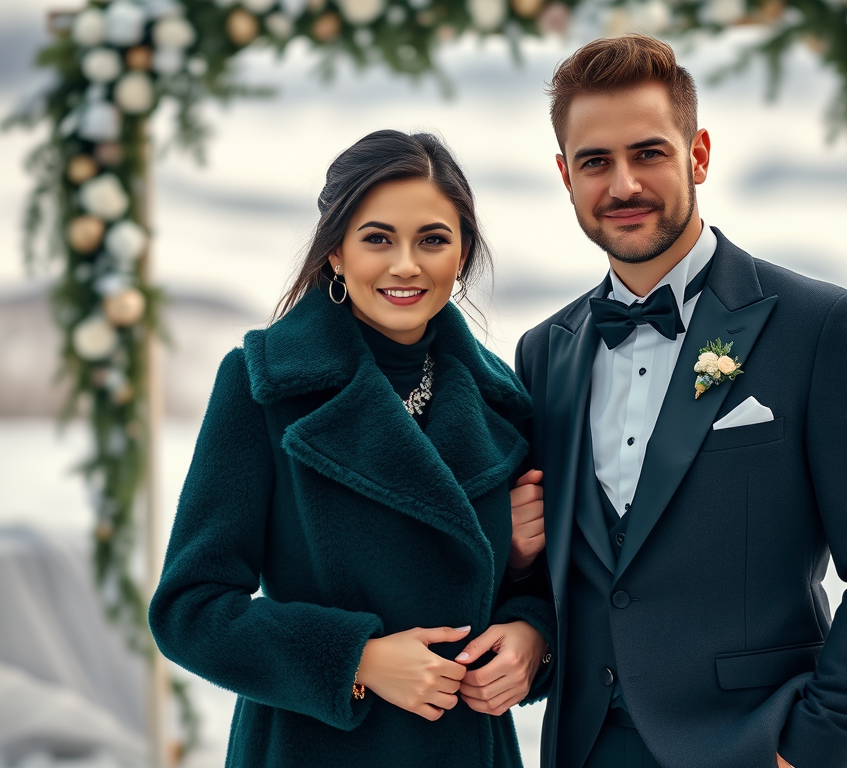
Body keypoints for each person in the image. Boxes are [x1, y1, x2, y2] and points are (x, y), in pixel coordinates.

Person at [509, 35, 847, 768]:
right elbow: (575, 579)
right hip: (583, 749)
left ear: (698, 155)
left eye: (648, 153)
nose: (622, 185)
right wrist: (521, 561)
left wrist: (811, 748)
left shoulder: (820, 328)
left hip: (752, 744)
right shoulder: (544, 352)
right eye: (595, 162)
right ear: (565, 176)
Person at [148, 129, 554, 768]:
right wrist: (356, 660)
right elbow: (189, 610)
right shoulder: (265, 387)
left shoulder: (503, 402)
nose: (405, 265)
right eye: (377, 238)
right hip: (310, 746)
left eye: (433, 240)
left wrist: (533, 633)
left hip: (465, 748)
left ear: (463, 253)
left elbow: (542, 588)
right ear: (335, 251)